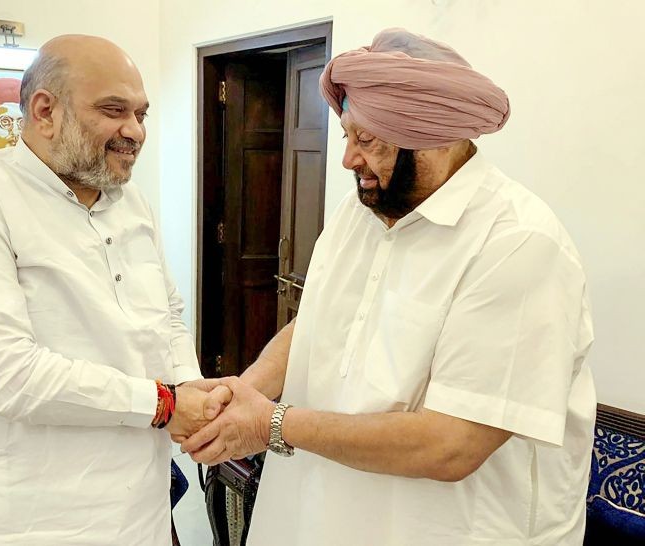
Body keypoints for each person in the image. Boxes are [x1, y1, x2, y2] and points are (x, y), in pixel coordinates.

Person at [184, 28, 595, 545]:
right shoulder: (361, 211)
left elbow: (452, 444)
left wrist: (271, 424)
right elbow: (316, 322)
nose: (348, 160)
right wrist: (247, 389)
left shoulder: (518, 244)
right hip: (319, 515)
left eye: (369, 140)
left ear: (439, 135)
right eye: (347, 136)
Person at [0, 35, 229, 546]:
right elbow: (3, 371)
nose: (136, 131)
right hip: (15, 523)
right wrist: (163, 404)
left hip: (135, 515)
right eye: (114, 110)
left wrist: (188, 387)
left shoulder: (132, 202)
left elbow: (164, 315)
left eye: (141, 114)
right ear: (44, 110)